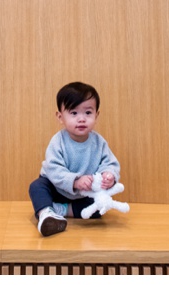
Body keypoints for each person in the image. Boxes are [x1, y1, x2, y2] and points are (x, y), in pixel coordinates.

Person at [28, 81, 121, 237]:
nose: (81, 119)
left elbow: (109, 162)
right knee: (37, 186)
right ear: (60, 117)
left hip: (84, 194)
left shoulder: (99, 142)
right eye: (74, 113)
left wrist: (109, 175)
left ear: (97, 115)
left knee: (99, 207)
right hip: (56, 188)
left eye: (88, 113)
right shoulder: (58, 141)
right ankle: (46, 213)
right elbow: (54, 169)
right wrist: (75, 181)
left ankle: (60, 210)